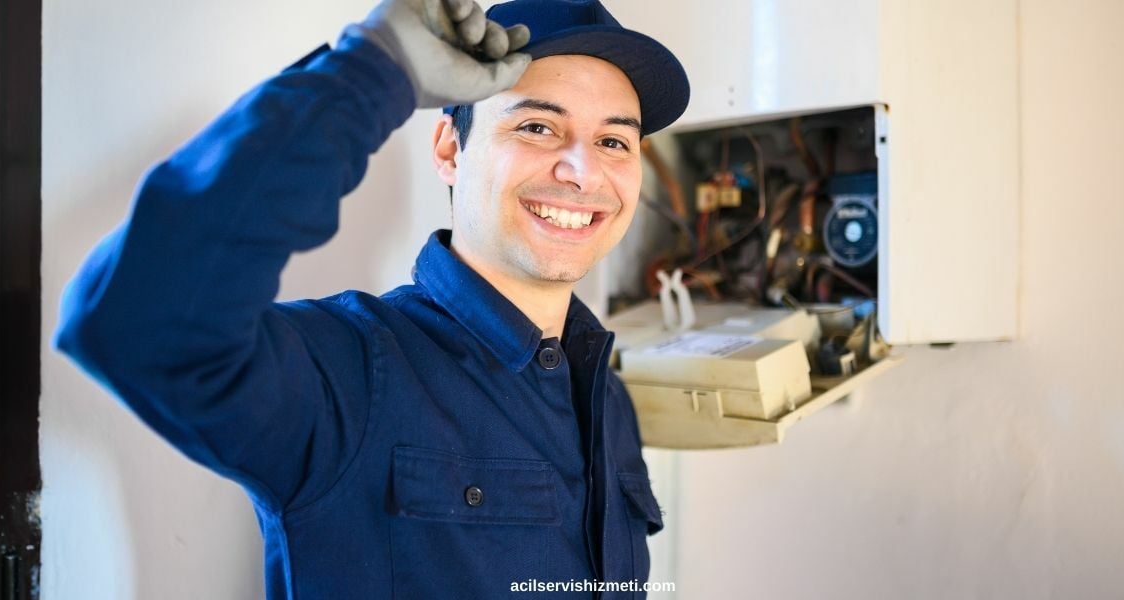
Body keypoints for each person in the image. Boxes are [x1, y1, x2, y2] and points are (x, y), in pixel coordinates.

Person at [55, 0, 689, 598]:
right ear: (449, 148)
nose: (582, 170)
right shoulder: (352, 373)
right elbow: (136, 322)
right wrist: (372, 71)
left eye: (614, 141)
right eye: (537, 126)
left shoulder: (606, 397)